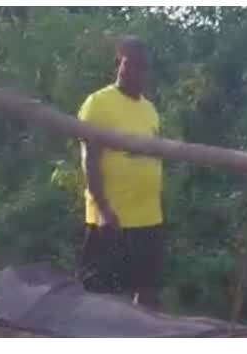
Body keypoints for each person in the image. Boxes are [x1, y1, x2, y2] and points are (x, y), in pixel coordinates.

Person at [77, 37, 164, 308]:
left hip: (148, 216)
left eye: (142, 67)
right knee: (102, 297)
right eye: (130, 64)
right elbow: (89, 158)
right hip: (111, 218)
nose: (136, 71)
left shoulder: (150, 110)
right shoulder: (98, 103)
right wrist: (103, 206)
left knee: (146, 291)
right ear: (119, 64)